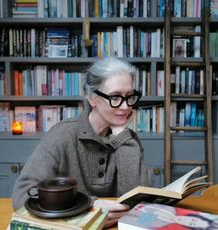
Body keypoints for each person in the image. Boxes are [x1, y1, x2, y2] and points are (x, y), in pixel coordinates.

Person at [12, 57, 153, 227]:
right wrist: (90, 208)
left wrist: (121, 135)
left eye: (130, 96)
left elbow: (141, 201)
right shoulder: (62, 135)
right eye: (115, 97)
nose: (125, 107)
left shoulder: (128, 139)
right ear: (92, 98)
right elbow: (22, 195)